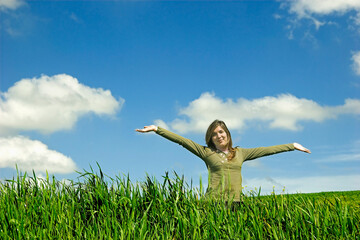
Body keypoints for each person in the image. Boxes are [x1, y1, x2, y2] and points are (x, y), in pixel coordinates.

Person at [136, 119, 311, 202]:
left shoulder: (240, 153)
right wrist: (157, 129)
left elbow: (266, 150)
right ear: (210, 138)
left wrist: (292, 145)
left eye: (221, 132)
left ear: (227, 134)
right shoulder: (206, 152)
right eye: (214, 134)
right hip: (213, 203)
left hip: (236, 203)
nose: (219, 136)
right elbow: (183, 141)